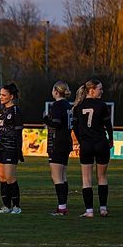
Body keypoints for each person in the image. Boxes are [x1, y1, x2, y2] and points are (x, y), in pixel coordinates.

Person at [72, 79, 114, 217]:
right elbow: (108, 126)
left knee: (86, 179)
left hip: (87, 145)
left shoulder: (78, 107)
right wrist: (111, 140)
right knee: (102, 177)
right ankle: (103, 209)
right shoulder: (102, 106)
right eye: (100, 89)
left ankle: (89, 211)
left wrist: (81, 141)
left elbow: (75, 128)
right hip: (101, 143)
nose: (102, 91)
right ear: (91, 90)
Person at [0, 83, 24, 214]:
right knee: (2, 178)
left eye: (4, 95)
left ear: (11, 96)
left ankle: (16, 206)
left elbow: (18, 133)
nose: (1, 97)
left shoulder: (16, 111)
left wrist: (19, 150)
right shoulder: (2, 110)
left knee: (10, 178)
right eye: (0, 94)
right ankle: (6, 206)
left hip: (11, 148)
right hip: (0, 148)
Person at [44, 81, 73, 215]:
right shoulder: (68, 105)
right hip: (66, 142)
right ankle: (63, 206)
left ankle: (62, 208)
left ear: (56, 91)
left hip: (57, 143)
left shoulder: (57, 105)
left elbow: (56, 123)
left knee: (56, 176)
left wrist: (46, 120)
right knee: (63, 176)